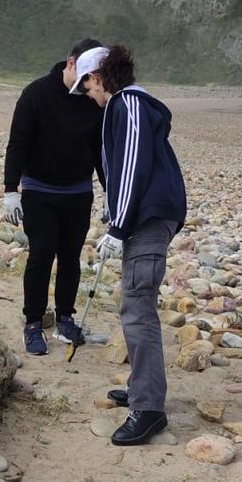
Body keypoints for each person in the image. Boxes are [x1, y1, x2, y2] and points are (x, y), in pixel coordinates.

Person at [75, 45, 187, 446]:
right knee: (133, 303)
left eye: (85, 87)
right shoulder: (125, 106)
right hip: (146, 217)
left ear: (97, 78)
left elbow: (134, 164)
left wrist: (118, 225)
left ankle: (150, 409)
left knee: (138, 309)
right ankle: (143, 390)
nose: (87, 96)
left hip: (149, 218)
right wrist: (116, 218)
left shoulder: (129, 104)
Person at [2, 38, 107, 356]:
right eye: (87, 73)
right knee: (41, 254)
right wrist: (10, 190)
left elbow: (99, 150)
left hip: (78, 190)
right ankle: (33, 322)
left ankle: (65, 318)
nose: (91, 83)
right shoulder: (36, 93)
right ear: (71, 62)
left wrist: (110, 193)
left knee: (71, 256)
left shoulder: (92, 99)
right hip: (39, 189)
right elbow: (17, 141)